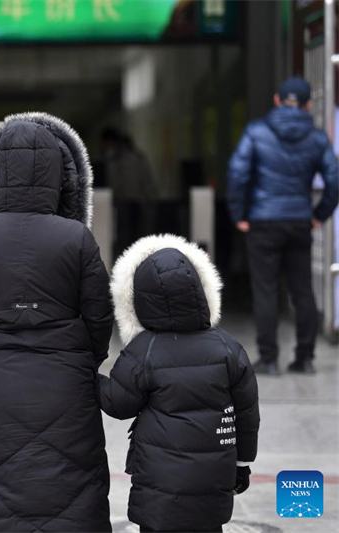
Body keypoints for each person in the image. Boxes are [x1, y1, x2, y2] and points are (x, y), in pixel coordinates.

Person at [0, 113, 114, 532]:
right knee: (73, 481)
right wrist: (81, 359)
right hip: (67, 381)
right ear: (59, 175)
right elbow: (99, 314)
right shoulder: (76, 237)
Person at [97, 234, 260, 533]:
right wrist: (242, 463)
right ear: (200, 291)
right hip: (213, 479)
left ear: (141, 300)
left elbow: (119, 404)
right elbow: (247, 413)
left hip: (159, 488)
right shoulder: (228, 348)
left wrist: (89, 376)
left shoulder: (143, 350)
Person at [227, 76, 339, 375]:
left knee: (265, 291)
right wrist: (319, 213)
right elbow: (334, 178)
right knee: (302, 291)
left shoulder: (256, 131)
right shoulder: (317, 138)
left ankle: (269, 359)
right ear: (308, 104)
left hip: (262, 221)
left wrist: (239, 214)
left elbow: (237, 173)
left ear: (277, 100)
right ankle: (305, 358)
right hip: (299, 221)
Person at [101, 128, 157, 254]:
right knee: (131, 236)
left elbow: (144, 181)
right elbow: (147, 181)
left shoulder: (118, 159)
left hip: (128, 202)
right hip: (129, 202)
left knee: (127, 236)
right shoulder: (136, 157)